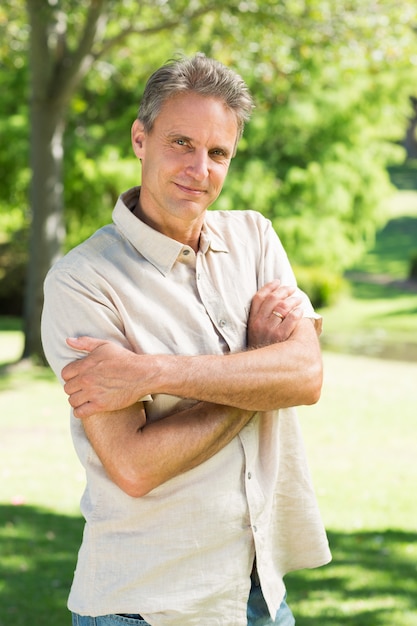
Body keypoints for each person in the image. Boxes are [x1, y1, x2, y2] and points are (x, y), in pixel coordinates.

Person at [41, 53, 331, 626]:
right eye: (181, 143)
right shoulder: (82, 280)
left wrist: (155, 374)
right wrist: (256, 368)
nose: (199, 168)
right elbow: (134, 466)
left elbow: (304, 377)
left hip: (259, 597)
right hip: (145, 605)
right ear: (139, 139)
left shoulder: (255, 237)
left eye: (218, 152)